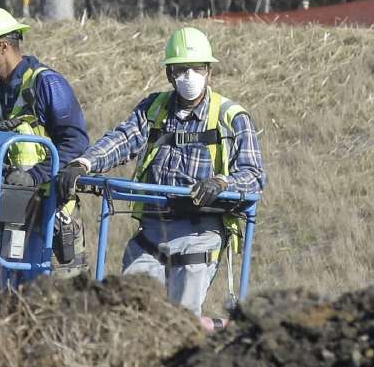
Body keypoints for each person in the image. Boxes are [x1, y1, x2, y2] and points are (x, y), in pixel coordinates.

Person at [57, 26, 266, 318]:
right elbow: (122, 139)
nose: (189, 76)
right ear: (170, 74)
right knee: (129, 310)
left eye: (197, 68)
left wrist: (221, 182)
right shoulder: (153, 110)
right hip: (152, 231)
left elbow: (254, 175)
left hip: (201, 232)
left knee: (181, 319)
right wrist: (84, 163)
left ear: (210, 73)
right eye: (182, 69)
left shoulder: (230, 118)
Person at [0, 6, 90, 271]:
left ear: (3, 46)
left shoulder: (48, 84)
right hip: (11, 215)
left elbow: (76, 142)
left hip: (52, 215)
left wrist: (34, 175)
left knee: (63, 303)